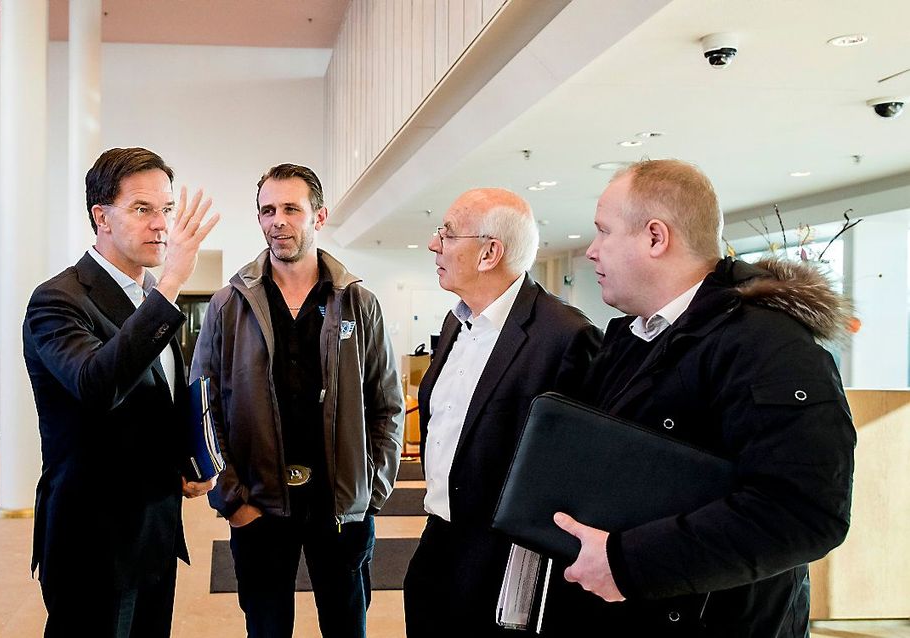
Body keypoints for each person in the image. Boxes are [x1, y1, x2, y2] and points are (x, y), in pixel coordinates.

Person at [553, 159, 856, 636]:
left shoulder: (767, 344)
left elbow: (802, 511)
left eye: (603, 232)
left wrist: (628, 563)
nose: (591, 251)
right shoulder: (632, 339)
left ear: (656, 237)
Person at [191, 163, 404, 638]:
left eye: (291, 208)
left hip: (341, 506)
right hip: (259, 505)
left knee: (347, 627)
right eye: (267, 210)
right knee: (267, 630)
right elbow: (204, 405)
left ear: (319, 216)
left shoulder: (356, 302)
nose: (277, 221)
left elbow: (387, 403)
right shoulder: (230, 303)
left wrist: (372, 493)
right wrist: (233, 502)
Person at [23, 147, 220, 637]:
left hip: (153, 530)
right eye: (142, 209)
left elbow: (155, 399)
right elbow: (96, 385)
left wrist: (188, 461)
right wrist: (172, 283)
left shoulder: (148, 294)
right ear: (101, 217)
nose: (161, 225)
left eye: (167, 210)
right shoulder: (60, 299)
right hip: (92, 536)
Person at [402, 188, 602, 637]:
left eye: (448, 235)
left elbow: (576, 473)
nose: (435, 244)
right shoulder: (457, 320)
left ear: (490, 252)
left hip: (506, 553)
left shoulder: (566, 337)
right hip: (440, 533)